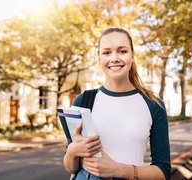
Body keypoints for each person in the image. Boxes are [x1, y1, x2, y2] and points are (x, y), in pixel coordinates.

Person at [63, 27, 171, 180]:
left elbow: (163, 172)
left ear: (132, 56)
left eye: (122, 51)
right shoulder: (82, 101)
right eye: (107, 52)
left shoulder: (154, 105)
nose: (114, 58)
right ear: (99, 58)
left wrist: (119, 170)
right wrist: (72, 151)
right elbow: (70, 167)